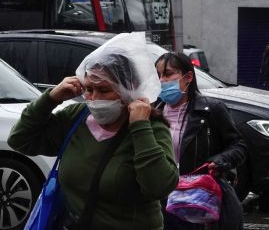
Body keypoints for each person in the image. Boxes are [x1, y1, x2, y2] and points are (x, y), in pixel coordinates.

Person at [7, 33, 179, 230]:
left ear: (128, 90)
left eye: (104, 90)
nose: (94, 98)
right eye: (88, 89)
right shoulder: (75, 118)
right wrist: (50, 99)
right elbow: (19, 140)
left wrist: (140, 127)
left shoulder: (151, 127)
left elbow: (160, 186)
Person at [154, 52, 247, 230]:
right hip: (163, 202)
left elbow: (238, 145)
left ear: (188, 77)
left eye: (168, 74)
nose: (162, 80)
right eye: (158, 75)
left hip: (198, 200)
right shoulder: (152, 112)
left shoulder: (211, 110)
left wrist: (219, 161)